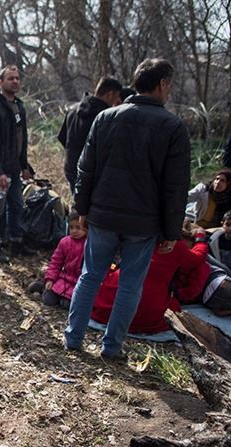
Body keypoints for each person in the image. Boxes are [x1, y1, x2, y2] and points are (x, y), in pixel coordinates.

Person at [64, 58, 191, 360]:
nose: (169, 90)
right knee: (130, 285)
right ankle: (112, 347)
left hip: (103, 214)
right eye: (169, 84)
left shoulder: (106, 118)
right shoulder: (173, 127)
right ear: (162, 84)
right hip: (143, 224)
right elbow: (176, 187)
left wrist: (81, 207)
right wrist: (172, 231)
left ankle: (73, 338)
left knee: (90, 275)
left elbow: (85, 170)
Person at [91, 224, 208, 333]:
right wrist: (200, 238)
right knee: (172, 310)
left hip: (113, 295)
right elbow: (197, 259)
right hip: (148, 305)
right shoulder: (175, 244)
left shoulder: (139, 232)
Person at [0, 65, 36, 262]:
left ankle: (16, 243)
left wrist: (25, 165)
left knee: (17, 205)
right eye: (10, 78)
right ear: (0, 82)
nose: (15, 81)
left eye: (17, 78)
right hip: (0, 171)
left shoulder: (19, 106)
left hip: (15, 169)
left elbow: (22, 139)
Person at [57, 77, 123, 196]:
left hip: (71, 167)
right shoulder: (105, 117)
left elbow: (62, 137)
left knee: (77, 207)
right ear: (110, 94)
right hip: (93, 173)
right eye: (116, 96)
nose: (117, 100)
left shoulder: (73, 110)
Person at [42, 210, 87, 308]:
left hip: (78, 284)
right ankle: (43, 287)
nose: (74, 231)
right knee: (48, 300)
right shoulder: (65, 242)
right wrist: (50, 279)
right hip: (63, 279)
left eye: (78, 228)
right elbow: (55, 262)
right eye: (71, 228)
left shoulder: (88, 245)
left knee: (67, 305)